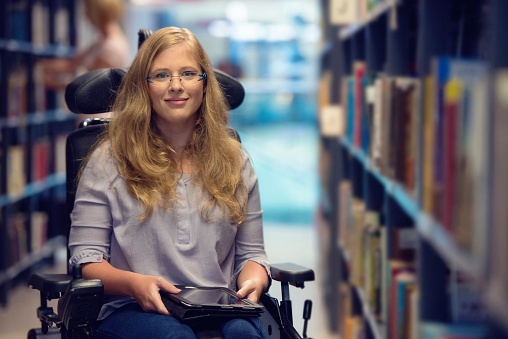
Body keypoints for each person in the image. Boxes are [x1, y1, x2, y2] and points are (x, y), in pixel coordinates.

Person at [68, 26, 271, 339]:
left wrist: (255, 279)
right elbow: (87, 260)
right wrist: (135, 284)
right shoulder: (109, 159)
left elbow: (252, 255)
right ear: (144, 87)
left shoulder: (235, 160)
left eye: (189, 73)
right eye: (161, 75)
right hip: (130, 306)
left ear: (205, 83)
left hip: (217, 304)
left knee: (244, 335)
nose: (176, 86)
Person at [39, 0, 130, 122]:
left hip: (99, 117)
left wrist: (52, 83)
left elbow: (92, 87)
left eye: (88, 10)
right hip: (94, 113)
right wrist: (41, 66)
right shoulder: (102, 40)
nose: (86, 16)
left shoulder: (110, 47)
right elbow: (71, 64)